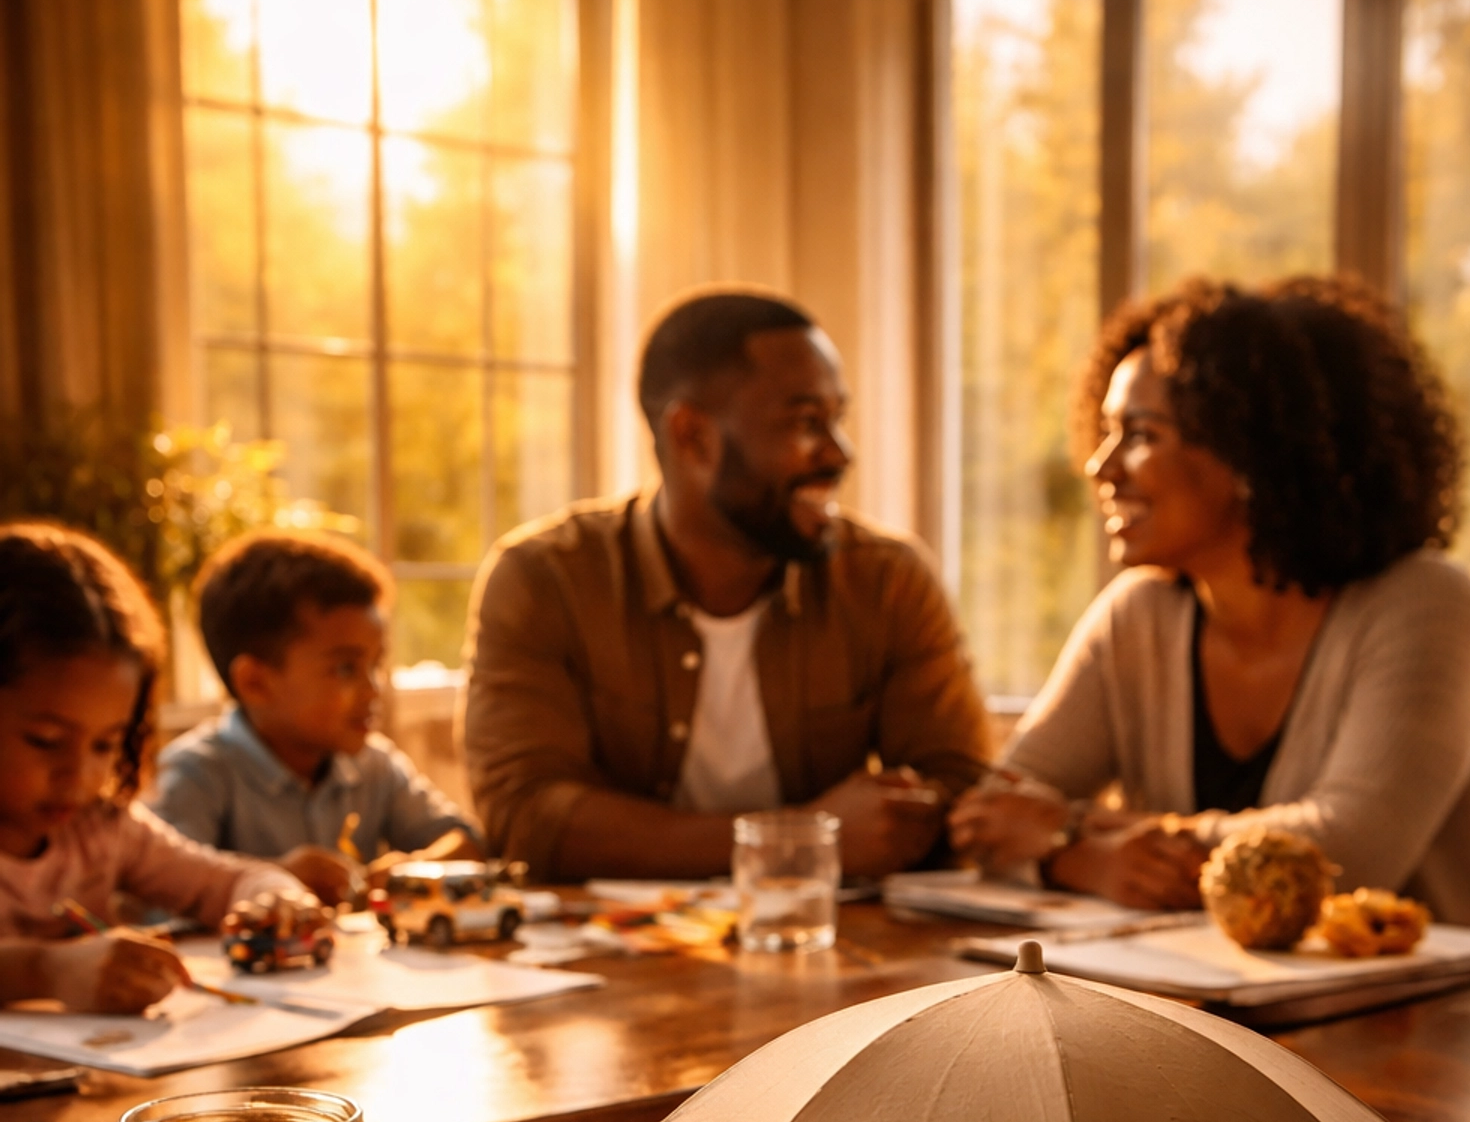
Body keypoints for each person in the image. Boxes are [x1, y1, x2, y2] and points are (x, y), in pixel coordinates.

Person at [949, 276, 1470, 929]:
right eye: (1107, 432)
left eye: (1140, 435)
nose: (1100, 467)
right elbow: (992, 817)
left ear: (1252, 450)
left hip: (1444, 991)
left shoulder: (1424, 603)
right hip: (1206, 988)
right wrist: (1079, 855)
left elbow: (1347, 852)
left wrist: (1076, 831)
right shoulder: (1137, 616)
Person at [462, 290, 991, 880]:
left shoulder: (888, 581)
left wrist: (916, 815)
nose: (840, 454)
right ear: (693, 436)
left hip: (830, 933)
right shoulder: (545, 581)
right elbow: (526, 817)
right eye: (806, 423)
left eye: (837, 420)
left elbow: (964, 791)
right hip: (614, 939)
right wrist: (803, 840)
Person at [0, 524, 314, 1012]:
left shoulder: (102, 830)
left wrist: (276, 898)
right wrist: (46, 969)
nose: (79, 777)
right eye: (46, 741)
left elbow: (231, 881)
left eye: (106, 744)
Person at [150, 530, 481, 906]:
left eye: (376, 665)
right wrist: (273, 880)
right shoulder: (196, 776)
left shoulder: (374, 766)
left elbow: (466, 842)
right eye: (345, 669)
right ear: (255, 682)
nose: (373, 690)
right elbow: (157, 896)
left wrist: (417, 868)